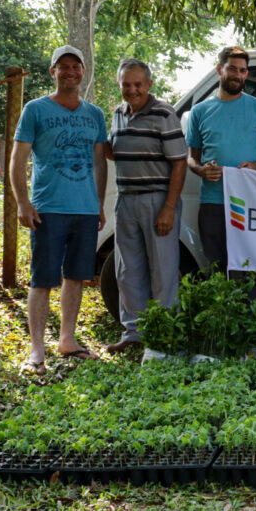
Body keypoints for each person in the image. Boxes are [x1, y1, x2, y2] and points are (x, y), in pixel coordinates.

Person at [8, 45, 108, 375]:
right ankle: (37, 349)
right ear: (53, 72)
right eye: (62, 66)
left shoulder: (94, 114)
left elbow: (99, 162)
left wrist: (99, 204)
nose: (70, 71)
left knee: (77, 277)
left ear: (83, 71)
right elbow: (17, 160)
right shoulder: (35, 110)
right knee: (42, 279)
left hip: (85, 210)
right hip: (48, 209)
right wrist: (23, 202)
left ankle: (67, 339)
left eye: (76, 66)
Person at [104, 59, 187, 354]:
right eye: (126, 84)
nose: (132, 90)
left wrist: (169, 207)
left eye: (138, 84)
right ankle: (133, 333)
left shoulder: (165, 113)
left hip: (157, 199)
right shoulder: (117, 114)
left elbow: (179, 164)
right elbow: (116, 152)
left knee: (163, 271)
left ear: (149, 84)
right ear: (120, 85)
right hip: (126, 200)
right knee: (127, 270)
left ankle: (165, 335)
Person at [185, 46, 256, 300]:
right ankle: (222, 326)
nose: (238, 75)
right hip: (213, 202)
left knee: (252, 267)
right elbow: (191, 157)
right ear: (219, 70)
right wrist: (201, 170)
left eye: (243, 70)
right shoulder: (200, 111)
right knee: (216, 267)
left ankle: (255, 326)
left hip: (249, 202)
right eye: (233, 69)